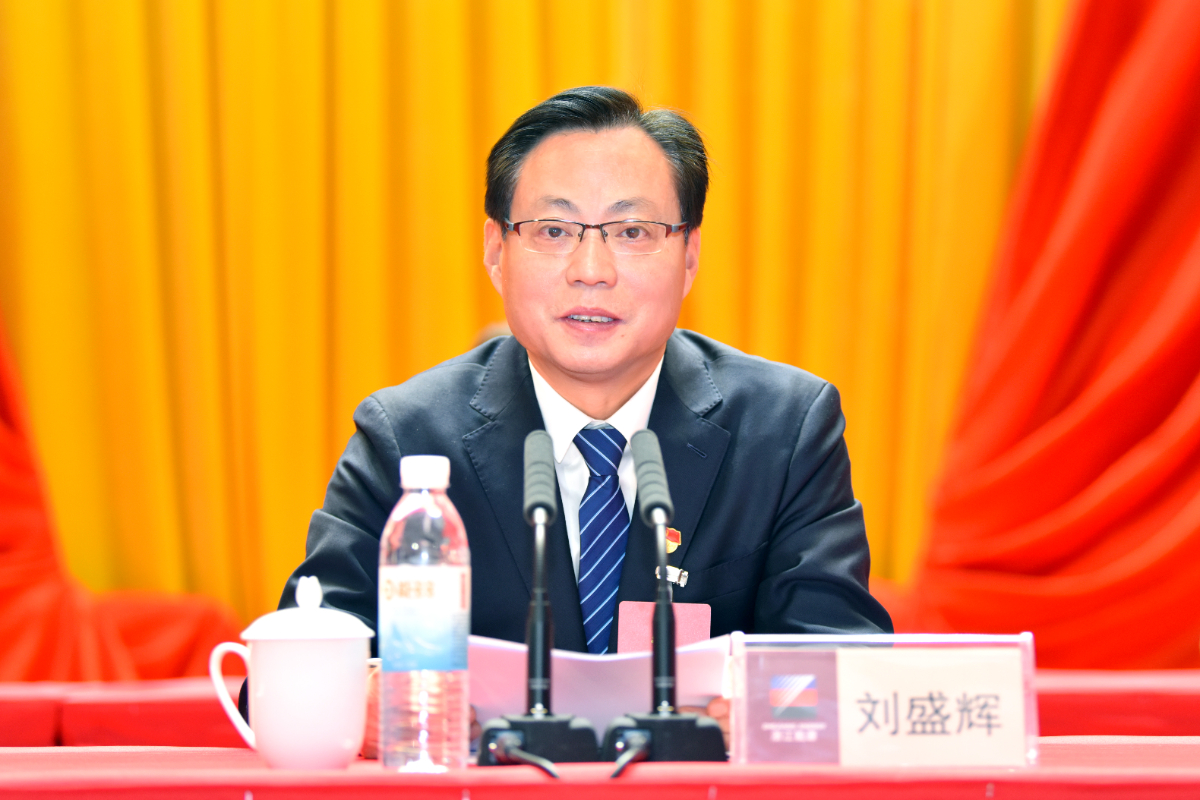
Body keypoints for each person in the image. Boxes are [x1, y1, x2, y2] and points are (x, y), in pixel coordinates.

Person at [260, 86, 892, 742]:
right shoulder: (407, 437)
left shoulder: (784, 429)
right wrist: (362, 700)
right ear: (496, 251)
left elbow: (848, 669)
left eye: (633, 232)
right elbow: (293, 667)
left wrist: (759, 709)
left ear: (690, 257)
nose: (591, 270)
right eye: (554, 231)